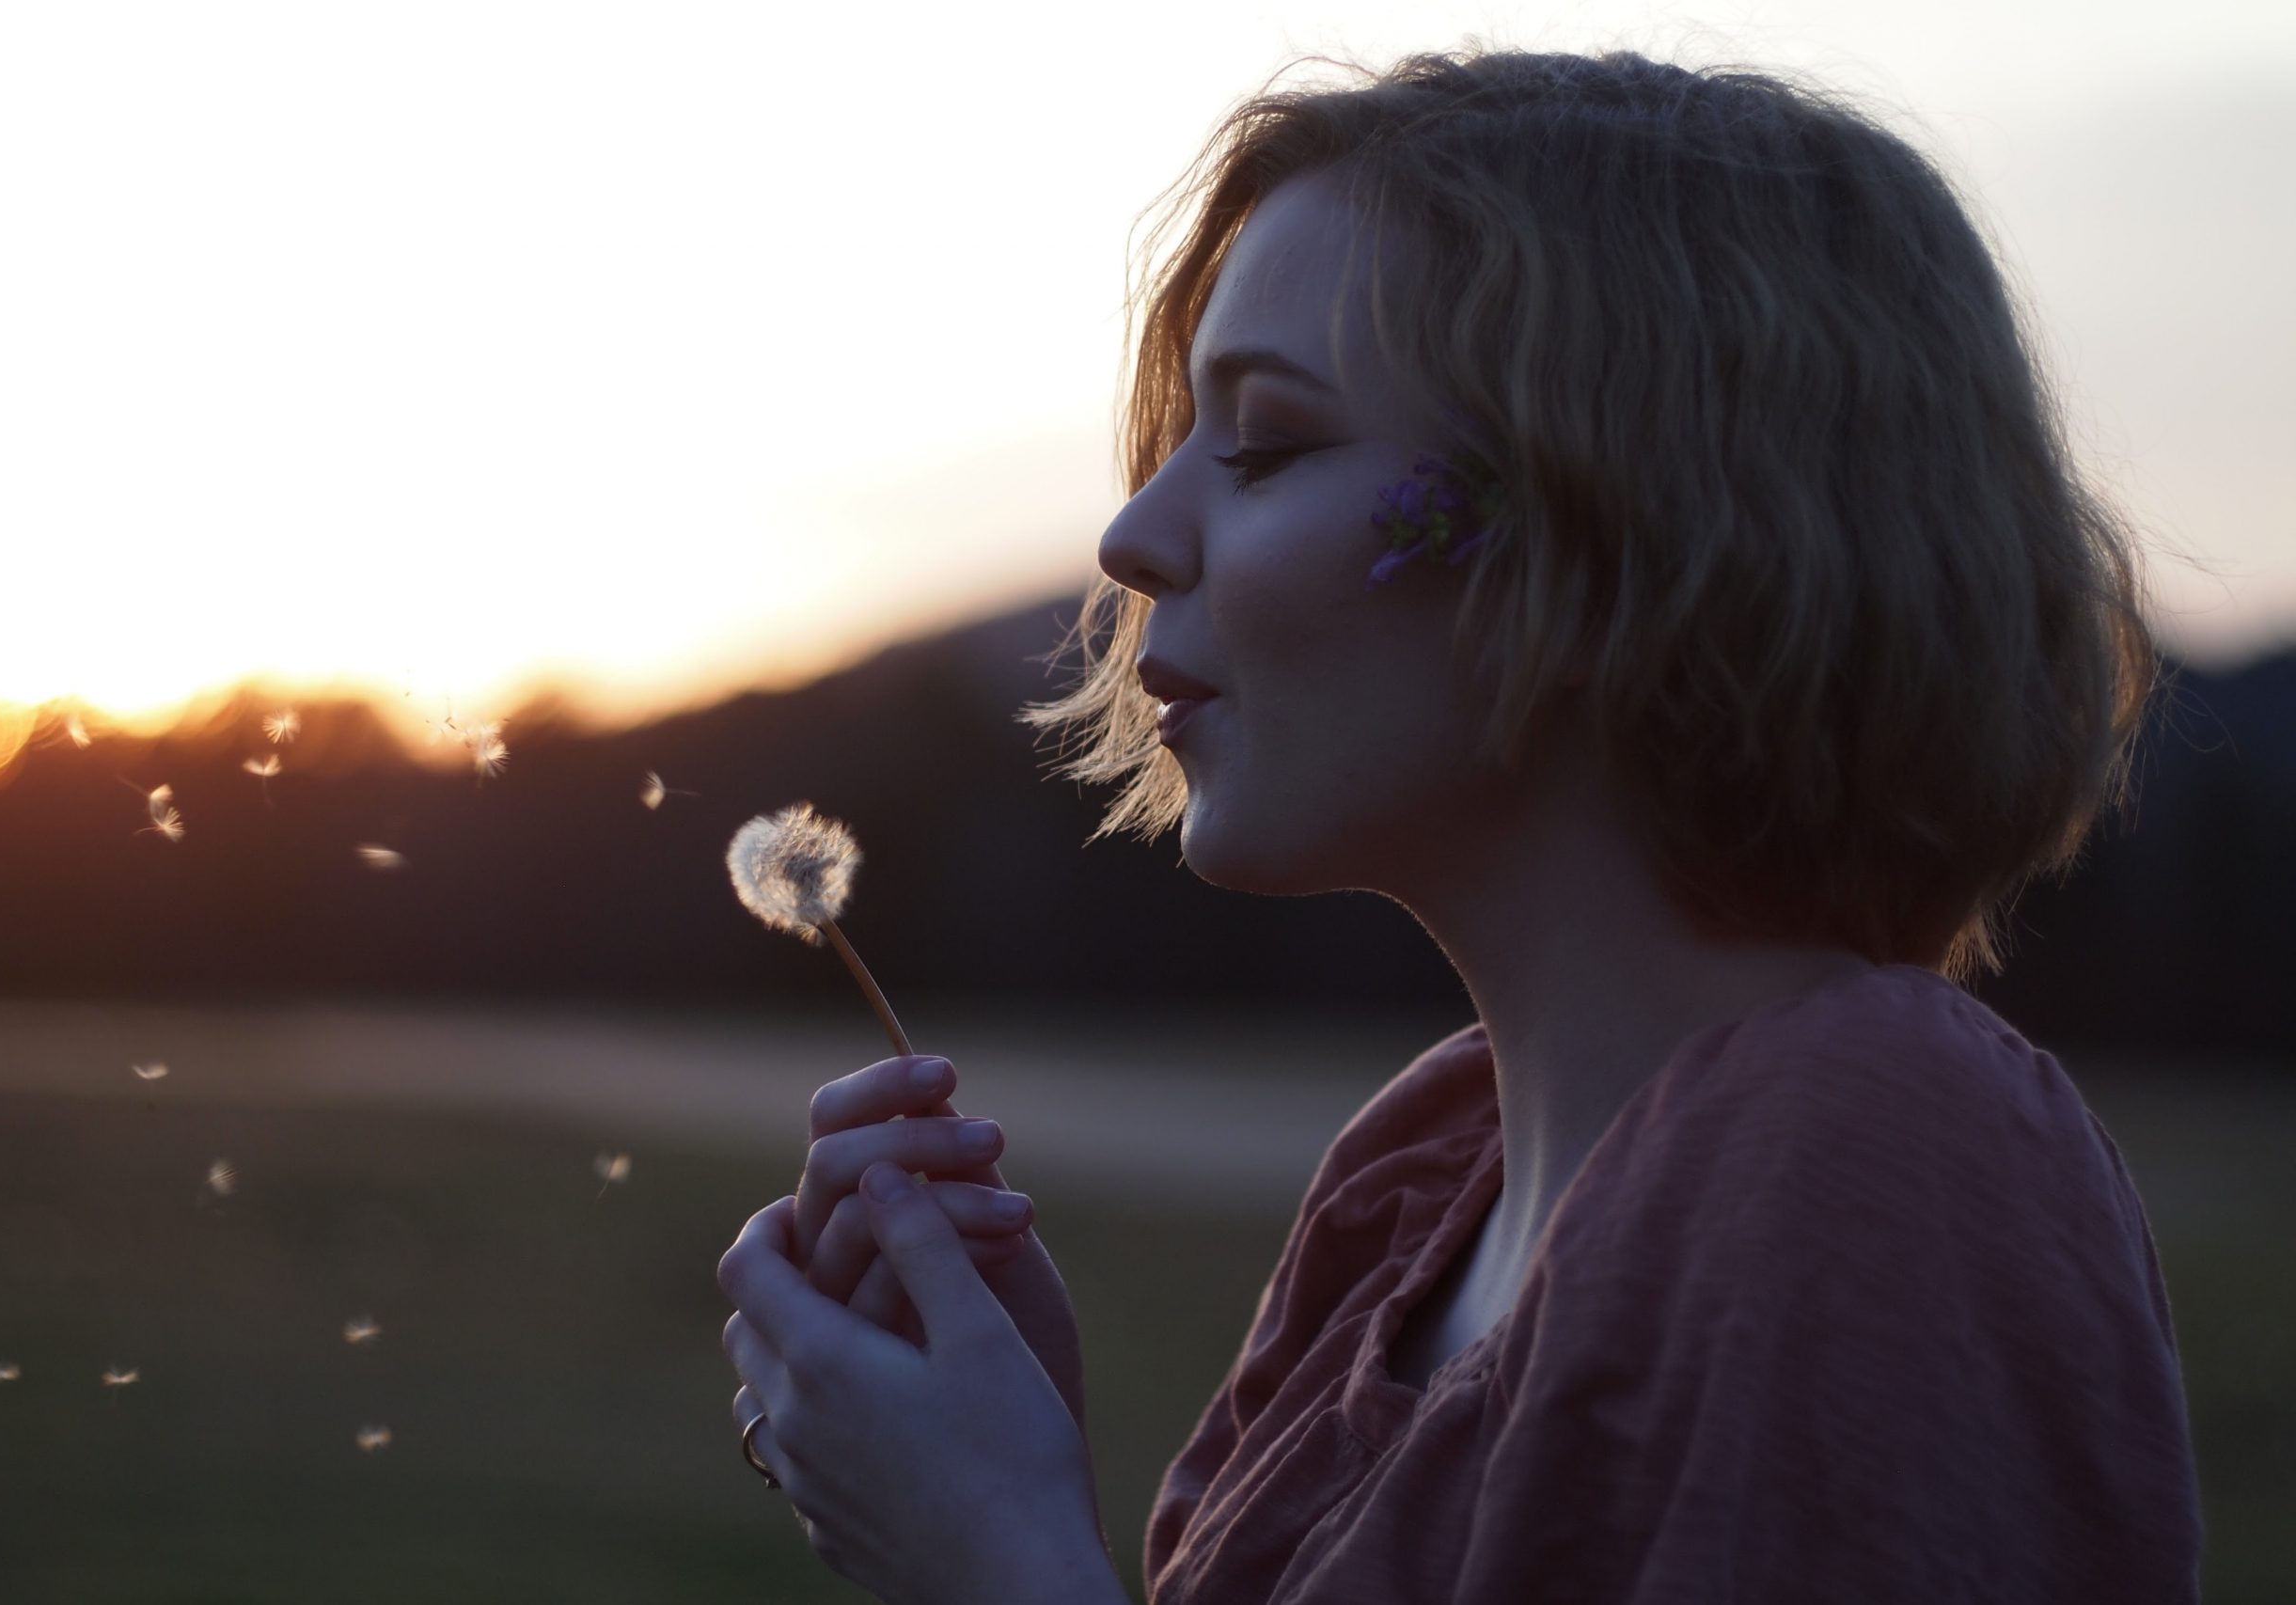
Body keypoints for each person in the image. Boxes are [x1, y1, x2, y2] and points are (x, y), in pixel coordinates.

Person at [716, 42, 2206, 1604]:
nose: (1136, 536)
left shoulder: (1880, 1150)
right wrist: (1001, 1459)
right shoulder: (1415, 1191)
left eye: (1272, 442)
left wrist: (1000, 1569)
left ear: (1633, 517)